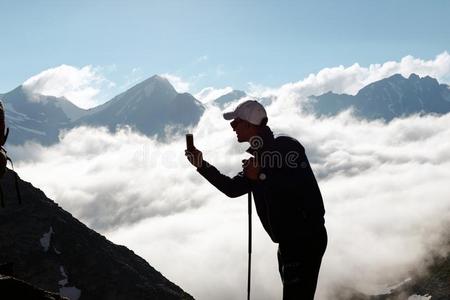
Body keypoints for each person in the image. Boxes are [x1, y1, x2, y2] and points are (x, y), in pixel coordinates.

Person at [185, 100, 327, 300]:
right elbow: (232, 189)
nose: (232, 127)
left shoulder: (285, 146)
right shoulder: (259, 156)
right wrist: (201, 164)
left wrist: (261, 177)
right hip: (290, 241)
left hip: (304, 239)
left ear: (249, 125)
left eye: (236, 123)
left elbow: (297, 187)